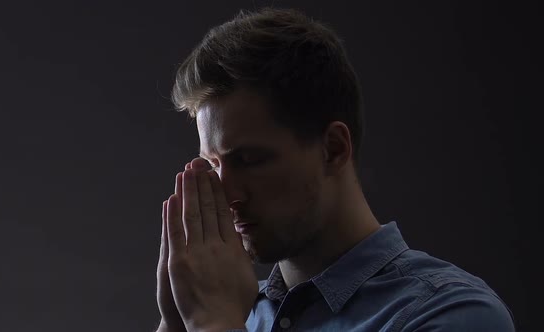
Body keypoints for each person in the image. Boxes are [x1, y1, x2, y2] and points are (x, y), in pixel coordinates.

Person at [155, 7, 515, 332]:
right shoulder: (234, 311)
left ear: (334, 149)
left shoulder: (451, 313)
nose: (228, 193)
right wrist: (174, 325)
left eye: (249, 160)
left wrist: (214, 325)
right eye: (214, 164)